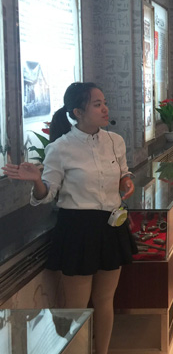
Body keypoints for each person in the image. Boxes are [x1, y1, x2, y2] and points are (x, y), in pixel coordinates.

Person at [2, 82, 135, 354]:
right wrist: (37, 180)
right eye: (97, 104)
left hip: (111, 225)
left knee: (105, 300)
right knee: (76, 307)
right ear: (78, 112)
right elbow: (47, 194)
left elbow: (123, 171)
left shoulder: (115, 141)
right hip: (78, 229)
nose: (105, 108)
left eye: (104, 102)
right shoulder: (61, 148)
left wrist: (125, 180)